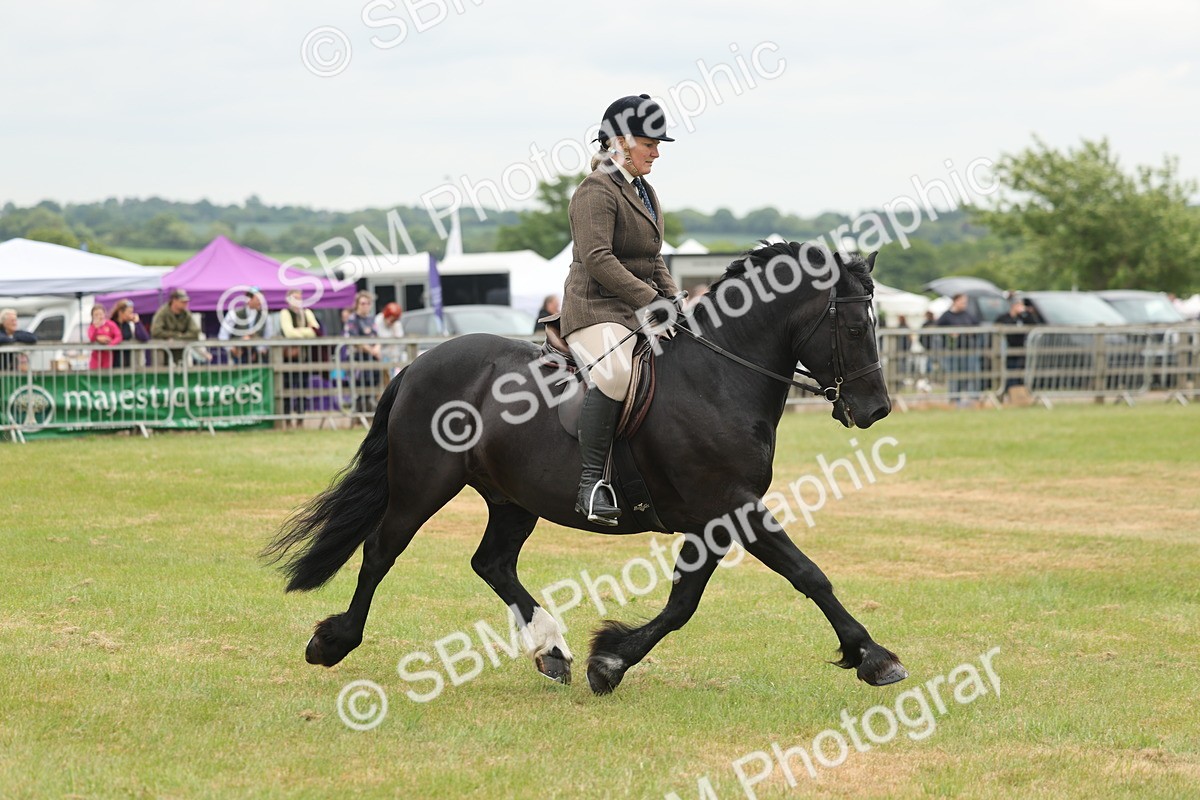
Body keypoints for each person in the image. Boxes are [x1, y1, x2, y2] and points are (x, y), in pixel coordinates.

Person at [559, 93, 680, 526]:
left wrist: (673, 300)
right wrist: (651, 300)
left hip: (633, 309)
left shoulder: (644, 191)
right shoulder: (595, 190)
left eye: (657, 144)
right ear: (621, 142)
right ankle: (591, 484)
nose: (656, 152)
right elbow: (598, 259)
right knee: (615, 372)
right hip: (594, 308)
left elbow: (653, 258)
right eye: (649, 143)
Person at [279, 290, 322, 416]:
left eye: (299, 297)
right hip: (288, 358)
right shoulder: (285, 312)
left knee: (303, 387)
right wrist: (306, 331)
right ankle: (286, 417)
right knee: (286, 387)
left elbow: (316, 331)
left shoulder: (307, 312)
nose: (297, 300)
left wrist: (299, 331)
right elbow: (289, 333)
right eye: (295, 297)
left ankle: (300, 417)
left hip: (304, 357)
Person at [936, 294, 981, 404]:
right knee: (955, 376)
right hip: (953, 351)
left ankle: (974, 399)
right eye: (962, 302)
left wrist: (971, 332)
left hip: (969, 350)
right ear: (955, 301)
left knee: (972, 374)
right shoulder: (946, 316)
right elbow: (937, 329)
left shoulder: (968, 314)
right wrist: (949, 334)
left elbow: (977, 326)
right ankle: (954, 399)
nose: (964, 304)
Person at [344, 291, 383, 411]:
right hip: (357, 359)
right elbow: (355, 340)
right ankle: (359, 413)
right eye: (362, 303)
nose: (365, 306)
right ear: (357, 304)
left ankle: (368, 412)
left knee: (373, 384)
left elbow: (377, 337)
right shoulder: (352, 319)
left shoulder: (371, 319)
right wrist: (371, 350)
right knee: (360, 387)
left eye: (368, 303)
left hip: (372, 359)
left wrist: (377, 348)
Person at [994, 295, 1038, 395]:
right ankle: (1008, 392)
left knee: (1020, 372)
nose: (1021, 307)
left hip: (1021, 349)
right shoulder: (1003, 318)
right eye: (1019, 305)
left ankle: (1018, 393)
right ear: (1013, 306)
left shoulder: (1023, 317)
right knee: (1008, 371)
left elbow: (1034, 324)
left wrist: (1026, 313)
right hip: (1007, 350)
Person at [218, 287, 273, 363]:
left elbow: (268, 336)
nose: (260, 302)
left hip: (259, 359)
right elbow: (223, 335)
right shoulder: (234, 314)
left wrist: (260, 349)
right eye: (258, 299)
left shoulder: (265, 317)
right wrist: (232, 349)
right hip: (239, 357)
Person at [151, 289, 202, 365]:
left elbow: (195, 332)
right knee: (162, 370)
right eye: (182, 302)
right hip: (162, 352)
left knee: (180, 368)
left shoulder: (186, 314)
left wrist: (178, 337)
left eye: (186, 302)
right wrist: (175, 335)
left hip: (180, 351)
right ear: (174, 301)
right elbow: (156, 331)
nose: (185, 304)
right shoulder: (162, 313)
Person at [110, 299, 150, 368]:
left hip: (129, 362)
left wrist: (137, 322)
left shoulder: (131, 324)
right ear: (120, 312)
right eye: (129, 312)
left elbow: (144, 337)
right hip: (114, 362)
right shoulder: (111, 324)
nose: (131, 315)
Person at [86, 304, 123, 370]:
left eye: (100, 314)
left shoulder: (110, 324)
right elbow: (91, 338)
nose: (99, 316)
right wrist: (97, 335)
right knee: (94, 373)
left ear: (104, 314)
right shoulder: (92, 326)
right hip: (95, 356)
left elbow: (118, 336)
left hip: (108, 355)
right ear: (92, 316)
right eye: (96, 315)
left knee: (106, 373)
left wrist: (110, 345)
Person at [1, 307, 38, 372]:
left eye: (15, 320)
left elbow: (33, 338)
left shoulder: (17, 333)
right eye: (12, 321)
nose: (15, 323)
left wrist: (13, 338)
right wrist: (13, 339)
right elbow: (2, 339)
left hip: (11, 369)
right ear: (4, 322)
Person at [374, 302, 406, 376]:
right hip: (381, 356)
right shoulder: (378, 320)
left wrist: (394, 327)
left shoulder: (397, 324)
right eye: (391, 319)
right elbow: (380, 337)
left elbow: (400, 338)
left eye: (394, 320)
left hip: (394, 357)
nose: (392, 322)